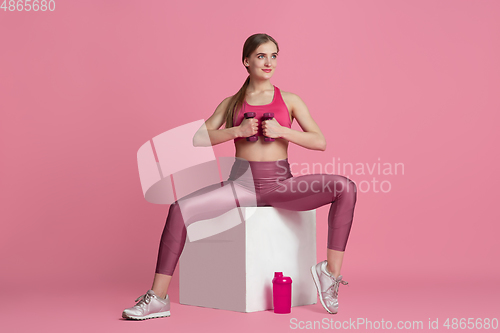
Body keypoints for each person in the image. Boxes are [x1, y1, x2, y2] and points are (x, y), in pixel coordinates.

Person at [122, 33, 357, 320]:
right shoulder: (232, 103)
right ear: (246, 61)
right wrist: (237, 132)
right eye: (261, 56)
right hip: (241, 185)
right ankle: (158, 298)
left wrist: (283, 132)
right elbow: (198, 138)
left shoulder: (291, 100)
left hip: (282, 185)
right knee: (178, 209)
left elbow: (319, 141)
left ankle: (330, 273)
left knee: (346, 188)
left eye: (273, 56)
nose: (268, 62)